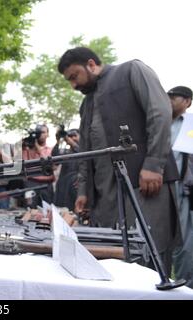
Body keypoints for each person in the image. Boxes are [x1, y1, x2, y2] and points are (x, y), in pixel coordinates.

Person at [57, 47, 180, 273]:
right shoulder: (87, 104)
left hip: (144, 189)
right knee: (115, 266)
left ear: (91, 64)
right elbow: (86, 151)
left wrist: (153, 164)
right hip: (106, 201)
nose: (73, 85)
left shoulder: (132, 71)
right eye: (69, 81)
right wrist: (83, 191)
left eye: (74, 76)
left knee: (148, 263)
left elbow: (160, 112)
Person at [168, 86, 193, 288]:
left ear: (187, 101)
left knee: (184, 240)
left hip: (184, 189)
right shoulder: (160, 123)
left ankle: (185, 284)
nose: (169, 101)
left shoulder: (191, 124)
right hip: (159, 188)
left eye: (173, 98)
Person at [22, 124, 54, 208]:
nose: (41, 135)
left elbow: (46, 162)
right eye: (39, 132)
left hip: (46, 184)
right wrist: (23, 146)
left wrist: (37, 146)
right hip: (31, 182)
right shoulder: (27, 149)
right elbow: (23, 162)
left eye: (43, 132)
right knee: (30, 207)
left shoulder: (50, 150)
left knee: (47, 208)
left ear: (48, 134)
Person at [52, 128, 80, 211]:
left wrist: (69, 140)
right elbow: (54, 158)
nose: (72, 138)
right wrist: (57, 140)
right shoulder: (65, 152)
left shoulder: (84, 150)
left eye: (74, 135)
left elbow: (80, 151)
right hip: (63, 187)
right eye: (69, 136)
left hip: (76, 187)